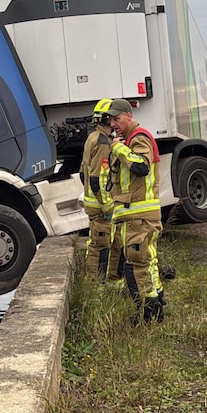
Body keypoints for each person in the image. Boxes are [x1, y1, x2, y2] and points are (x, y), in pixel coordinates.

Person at [106, 98, 166, 323]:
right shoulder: (126, 139)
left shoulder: (138, 138)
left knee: (137, 264)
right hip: (132, 215)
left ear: (128, 115)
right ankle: (157, 303)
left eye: (116, 118)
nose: (113, 123)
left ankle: (148, 313)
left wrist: (118, 148)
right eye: (110, 120)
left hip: (139, 215)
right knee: (147, 261)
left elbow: (141, 166)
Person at [81, 98, 118, 281]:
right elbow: (98, 179)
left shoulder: (92, 138)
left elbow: (83, 173)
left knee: (94, 243)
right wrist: (107, 206)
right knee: (102, 244)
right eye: (113, 118)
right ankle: (97, 283)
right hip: (100, 205)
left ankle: (93, 281)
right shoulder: (103, 143)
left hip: (92, 203)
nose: (115, 122)